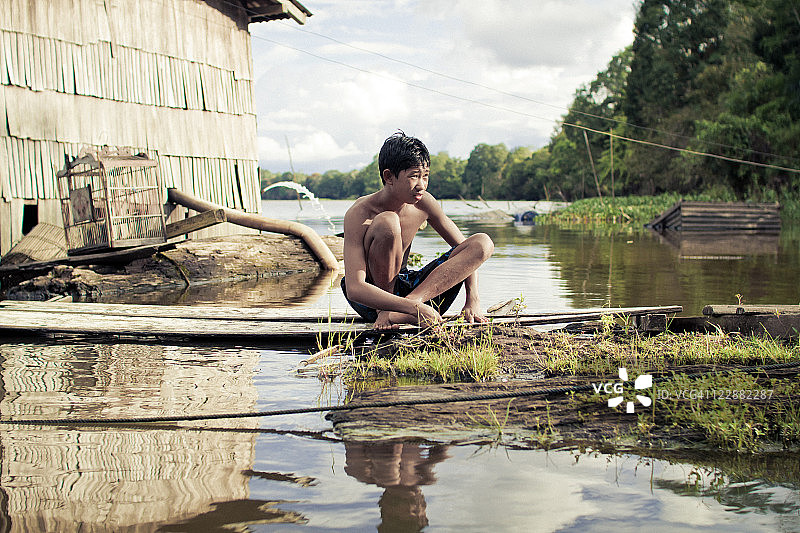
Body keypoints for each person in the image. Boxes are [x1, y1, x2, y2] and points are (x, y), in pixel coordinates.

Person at [341, 131, 494, 330]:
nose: (421, 185)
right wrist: (410, 307)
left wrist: (472, 299)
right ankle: (391, 312)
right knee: (388, 222)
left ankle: (404, 311)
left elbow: (466, 250)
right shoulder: (359, 213)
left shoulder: (424, 203)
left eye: (425, 176)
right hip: (373, 300)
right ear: (389, 177)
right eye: (414, 177)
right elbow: (355, 289)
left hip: (414, 293)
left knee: (483, 243)